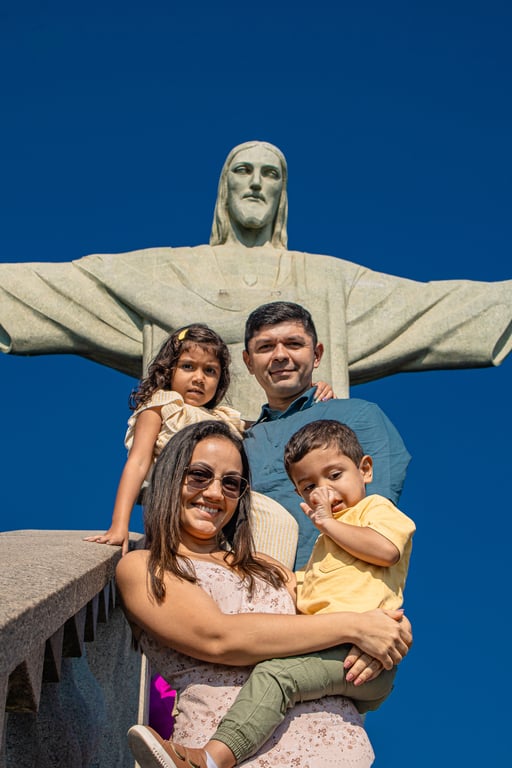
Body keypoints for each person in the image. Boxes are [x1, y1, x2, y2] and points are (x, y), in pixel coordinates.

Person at [0, 141, 510, 419]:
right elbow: (65, 289)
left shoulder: (327, 279)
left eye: (271, 174)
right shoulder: (163, 271)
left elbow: (431, 309)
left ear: (282, 194)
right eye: (243, 171)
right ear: (224, 188)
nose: (256, 183)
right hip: (194, 480)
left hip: (302, 481)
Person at [117, 420, 412, 768]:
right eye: (199, 475)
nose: (215, 493)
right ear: (169, 476)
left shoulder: (269, 567)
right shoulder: (143, 566)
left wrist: (393, 627)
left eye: (231, 483)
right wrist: (356, 626)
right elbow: (218, 638)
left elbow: (330, 603)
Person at [84, 323, 331, 563]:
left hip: (218, 506)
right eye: (188, 367)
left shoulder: (222, 419)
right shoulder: (162, 406)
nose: (199, 378)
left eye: (210, 371)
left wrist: (310, 393)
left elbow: (272, 422)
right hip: (179, 498)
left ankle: (266, 579)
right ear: (169, 370)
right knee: (272, 517)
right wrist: (119, 525)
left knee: (278, 519)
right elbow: (138, 462)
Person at [242, 301, 411, 568]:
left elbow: (379, 518)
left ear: (317, 354)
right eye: (265, 347)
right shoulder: (239, 439)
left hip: (334, 583)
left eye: (294, 344)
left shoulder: (358, 415)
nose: (280, 355)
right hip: (253, 585)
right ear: (248, 362)